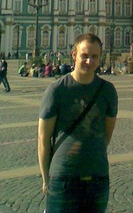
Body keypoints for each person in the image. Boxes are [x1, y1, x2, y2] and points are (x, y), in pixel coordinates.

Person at [38, 33, 118, 213]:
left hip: (98, 177)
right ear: (74, 55)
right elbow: (43, 140)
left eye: (95, 56)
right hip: (63, 178)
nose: (90, 61)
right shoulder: (56, 90)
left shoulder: (108, 91)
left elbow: (107, 133)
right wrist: (46, 178)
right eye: (85, 55)